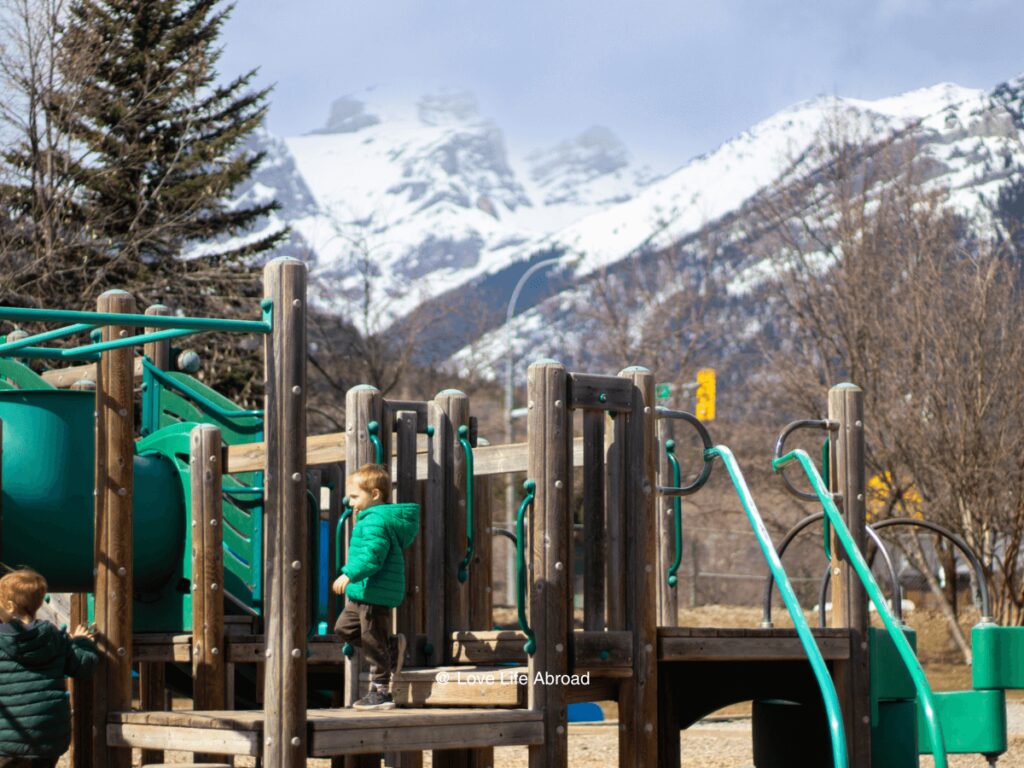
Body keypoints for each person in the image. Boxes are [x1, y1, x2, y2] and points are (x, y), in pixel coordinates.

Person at [333, 464, 420, 710]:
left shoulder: (376, 522)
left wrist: (349, 573)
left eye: (354, 497)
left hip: (373, 593)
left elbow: (373, 556)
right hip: (362, 591)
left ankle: (381, 692)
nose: (350, 503)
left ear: (374, 495)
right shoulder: (369, 519)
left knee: (372, 641)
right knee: (344, 629)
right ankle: (391, 646)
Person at [0, 568, 97, 767]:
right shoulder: (54, 637)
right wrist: (81, 643)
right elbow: (84, 666)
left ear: (9, 606)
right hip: (48, 737)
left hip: (6, 738)